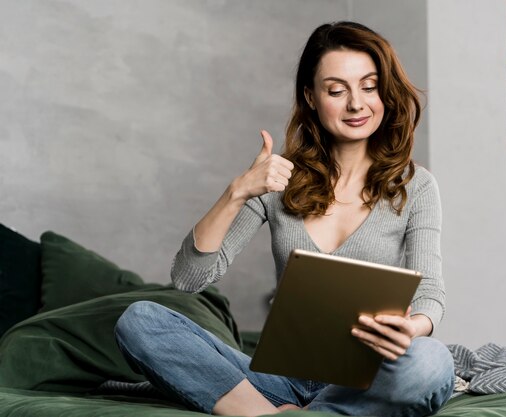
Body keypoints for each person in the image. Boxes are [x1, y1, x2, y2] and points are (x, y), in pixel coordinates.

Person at [115, 21, 455, 416]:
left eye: (369, 85)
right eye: (336, 90)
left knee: (430, 361)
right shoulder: (277, 181)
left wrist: (414, 328)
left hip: (367, 374)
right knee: (139, 320)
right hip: (278, 382)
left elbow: (429, 291)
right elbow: (188, 278)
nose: (356, 104)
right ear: (311, 97)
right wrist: (237, 191)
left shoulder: (416, 186)